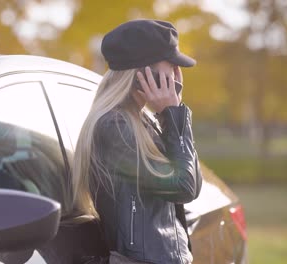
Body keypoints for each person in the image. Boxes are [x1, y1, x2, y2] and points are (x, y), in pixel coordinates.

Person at [72, 19, 203, 264]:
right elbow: (183, 186)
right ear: (144, 74)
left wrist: (172, 117)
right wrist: (172, 115)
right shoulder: (114, 127)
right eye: (172, 66)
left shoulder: (143, 121)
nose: (178, 75)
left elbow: (192, 187)